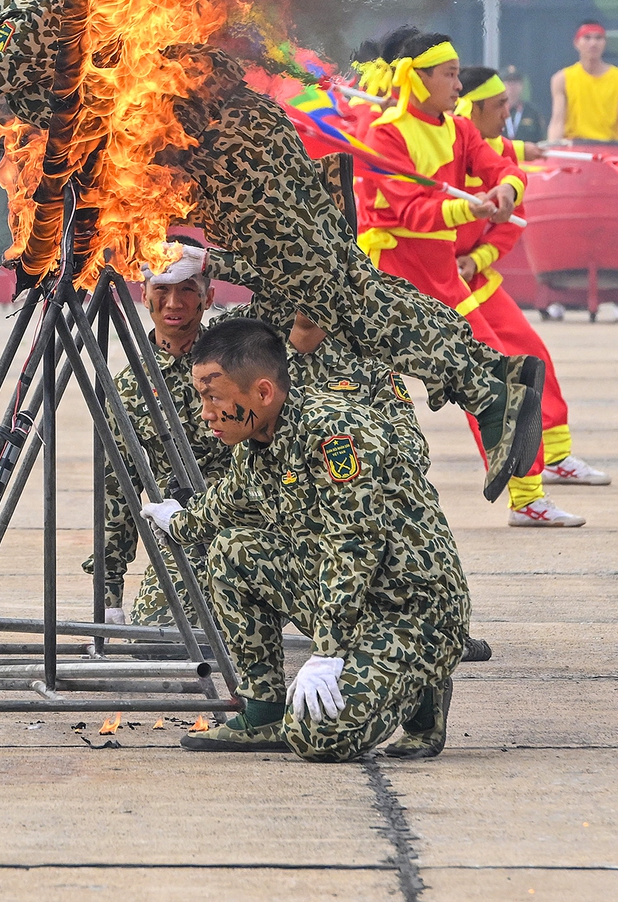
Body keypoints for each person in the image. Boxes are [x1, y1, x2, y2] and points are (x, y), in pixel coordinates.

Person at [0, 0, 545, 502]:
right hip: (207, 177)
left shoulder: (25, 24)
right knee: (320, 304)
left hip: (232, 153)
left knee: (340, 294)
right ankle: (478, 390)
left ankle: (489, 384)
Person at [144, 317, 467, 760]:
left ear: (262, 392)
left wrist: (327, 654)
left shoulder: (335, 433)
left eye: (213, 397)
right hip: (344, 600)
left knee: (319, 739)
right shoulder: (259, 443)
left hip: (408, 609)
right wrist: (175, 519)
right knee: (233, 552)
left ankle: (423, 690)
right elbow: (221, 506)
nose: (206, 413)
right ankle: (262, 711)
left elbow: (354, 543)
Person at [350, 34, 581, 527]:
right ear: (419, 77)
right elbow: (405, 210)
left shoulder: (458, 130)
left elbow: (500, 165)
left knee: (500, 376)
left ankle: (528, 495)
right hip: (387, 278)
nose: (459, 83)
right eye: (450, 74)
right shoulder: (385, 134)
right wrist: (469, 207)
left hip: (441, 278)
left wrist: (505, 189)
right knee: (353, 394)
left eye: (459, 73)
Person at [458, 64, 609, 499]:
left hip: (471, 278)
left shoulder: (482, 147)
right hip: (425, 281)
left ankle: (556, 458)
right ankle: (524, 492)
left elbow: (506, 170)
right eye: (500, 104)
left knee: (531, 355)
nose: (509, 110)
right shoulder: (437, 147)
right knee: (488, 382)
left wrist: (476, 259)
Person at [86, 243, 235, 626]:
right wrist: (109, 593)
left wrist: (209, 262)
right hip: (180, 526)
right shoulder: (131, 385)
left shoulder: (238, 356)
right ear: (144, 295)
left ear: (208, 297)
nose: (174, 303)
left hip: (242, 515)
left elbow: (291, 288)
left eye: (187, 289)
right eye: (162, 290)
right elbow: (117, 491)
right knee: (157, 633)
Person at [545, 18, 618, 147]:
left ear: (604, 43)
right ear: (576, 43)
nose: (593, 43)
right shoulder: (562, 79)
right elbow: (557, 121)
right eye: (587, 38)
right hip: (574, 149)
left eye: (598, 38)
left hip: (608, 149)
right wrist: (552, 151)